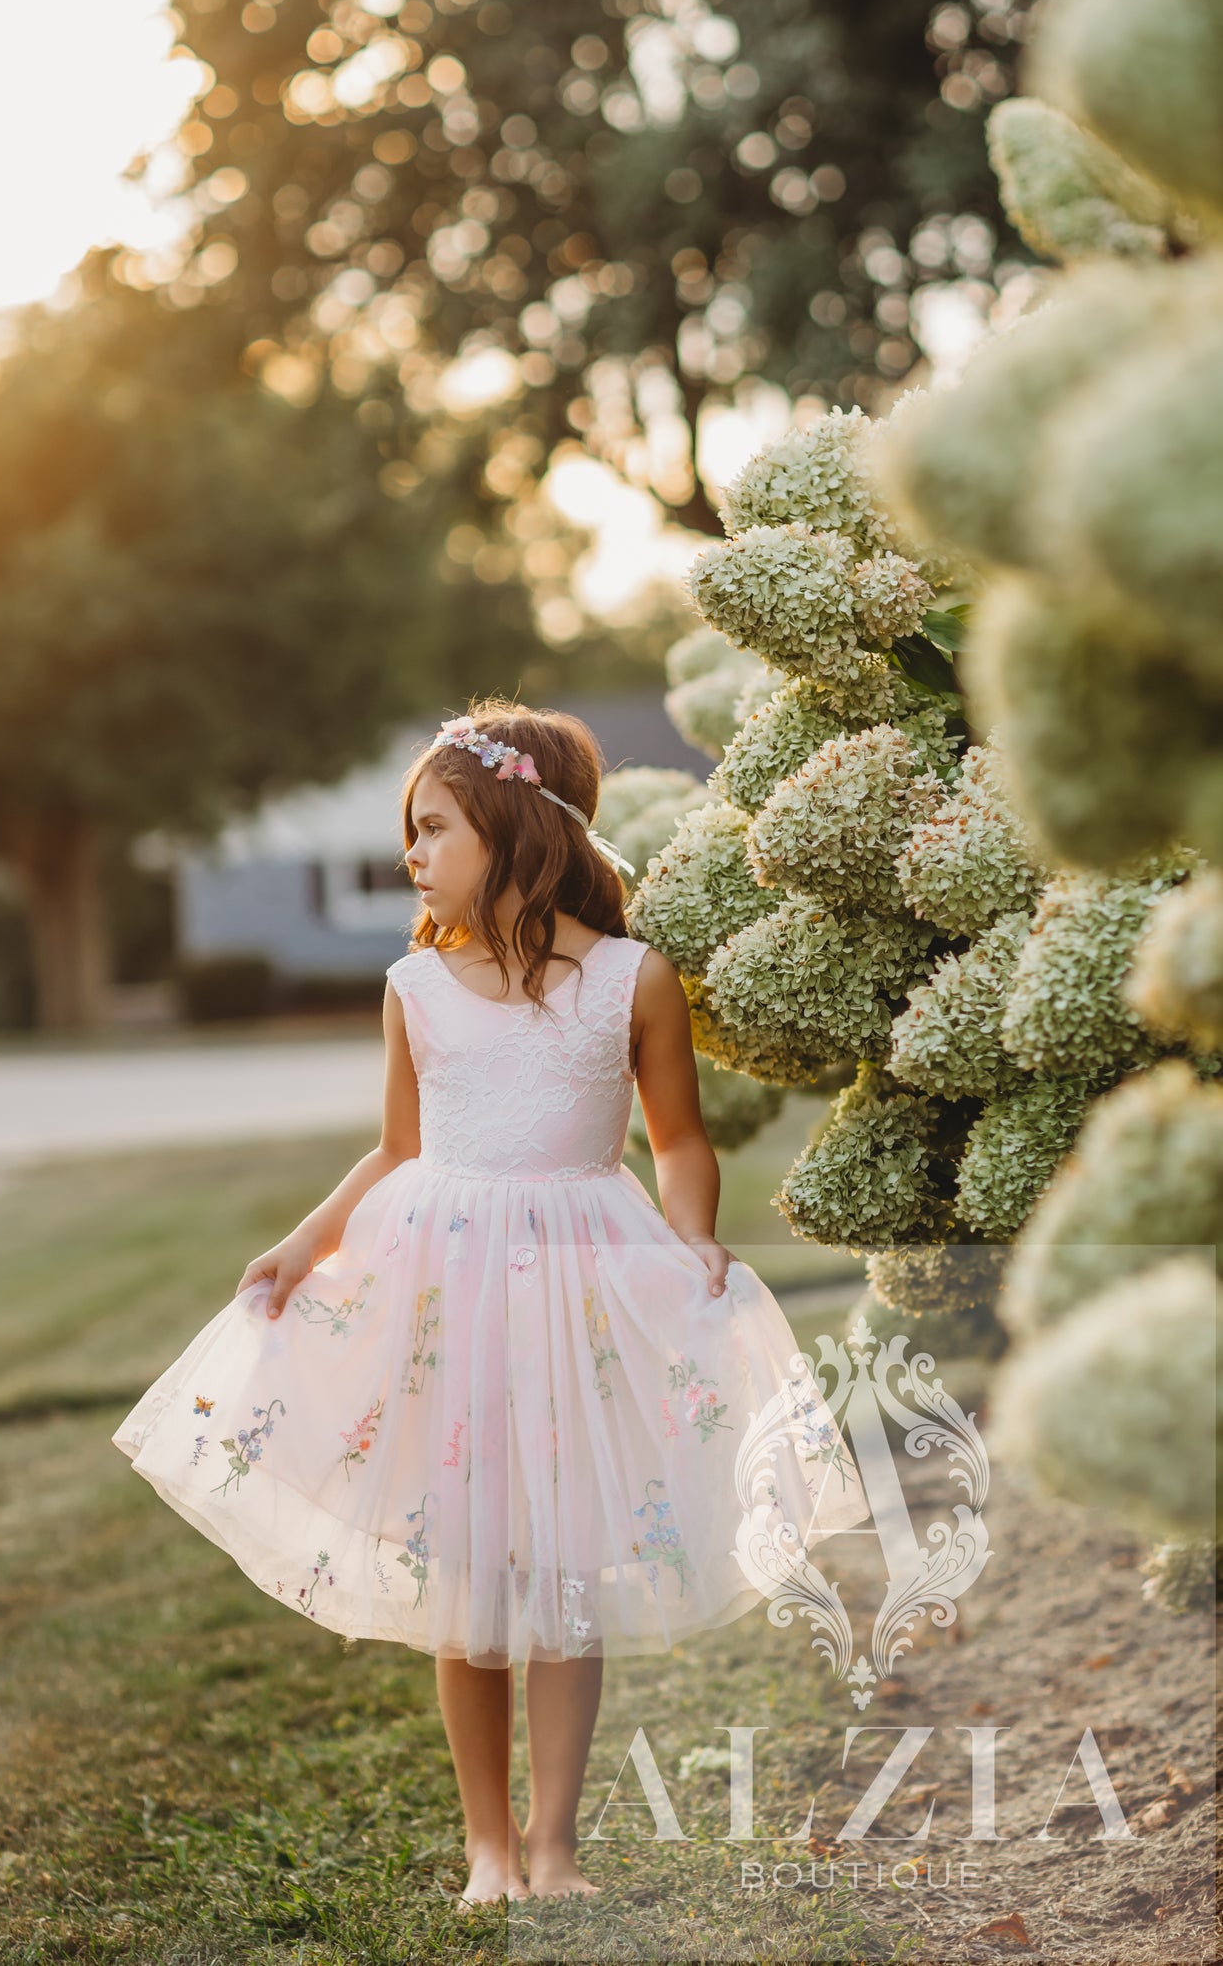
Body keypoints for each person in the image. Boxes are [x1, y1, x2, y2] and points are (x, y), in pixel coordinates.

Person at [112, 700, 871, 1910]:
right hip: (445, 1283)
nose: (411, 854)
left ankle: (554, 1842)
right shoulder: (414, 984)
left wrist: (689, 1240)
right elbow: (395, 1148)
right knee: (468, 1579)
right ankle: (485, 1847)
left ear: (515, 822)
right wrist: (305, 1239)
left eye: (430, 827)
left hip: (580, 1268)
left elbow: (676, 1140)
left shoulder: (634, 979)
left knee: (565, 1568)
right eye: (406, 835)